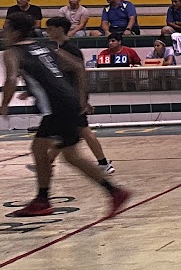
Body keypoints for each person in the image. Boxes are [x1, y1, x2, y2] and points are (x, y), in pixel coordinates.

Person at [0, 14, 130, 219]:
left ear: (15, 32)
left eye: (6, 28)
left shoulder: (12, 52)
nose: (3, 32)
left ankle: (45, 200)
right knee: (64, 154)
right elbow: (78, 67)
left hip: (57, 107)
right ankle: (112, 192)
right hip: (67, 102)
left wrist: (4, 105)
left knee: (49, 151)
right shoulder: (44, 47)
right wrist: (81, 98)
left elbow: (10, 80)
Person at [44, 15, 114, 175]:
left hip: (72, 98)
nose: (47, 32)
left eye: (50, 29)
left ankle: (104, 163)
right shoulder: (58, 48)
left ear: (60, 29)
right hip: (67, 98)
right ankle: (47, 162)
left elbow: (81, 76)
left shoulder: (70, 50)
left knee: (81, 131)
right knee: (66, 132)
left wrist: (83, 99)